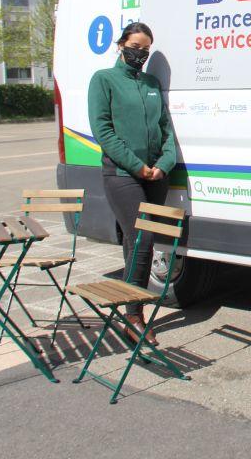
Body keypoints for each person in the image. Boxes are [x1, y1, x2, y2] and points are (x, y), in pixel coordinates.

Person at [88, 22, 176, 345]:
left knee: (133, 242)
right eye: (136, 46)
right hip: (122, 175)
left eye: (146, 50)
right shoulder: (103, 81)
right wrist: (137, 165)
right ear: (122, 44)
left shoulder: (151, 83)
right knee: (144, 236)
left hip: (155, 178)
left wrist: (163, 165)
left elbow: (166, 130)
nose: (140, 53)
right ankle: (134, 316)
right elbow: (104, 132)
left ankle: (128, 309)